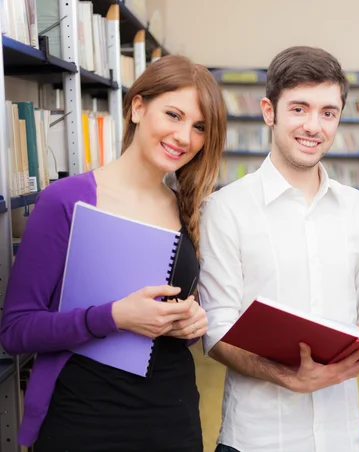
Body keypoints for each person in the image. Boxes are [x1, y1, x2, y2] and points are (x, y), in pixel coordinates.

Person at [0, 55, 227, 451]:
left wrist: (189, 323)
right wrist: (114, 317)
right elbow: (16, 331)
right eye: (172, 115)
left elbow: (168, 326)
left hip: (171, 417)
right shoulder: (65, 201)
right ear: (137, 107)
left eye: (199, 127)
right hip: (83, 416)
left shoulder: (188, 209)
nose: (184, 137)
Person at [199, 45, 359, 452]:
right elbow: (217, 330)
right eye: (299, 108)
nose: (314, 126)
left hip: (343, 437)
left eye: (328, 112)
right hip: (258, 437)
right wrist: (289, 377)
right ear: (269, 112)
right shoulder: (225, 208)